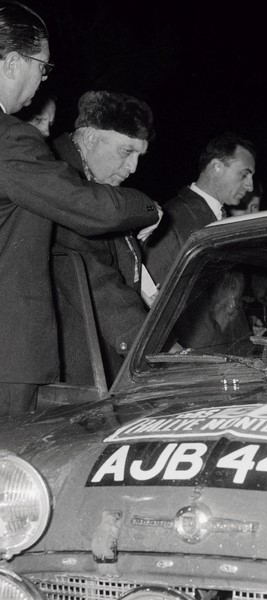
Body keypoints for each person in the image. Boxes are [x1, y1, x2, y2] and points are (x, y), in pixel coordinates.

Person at [0, 2, 160, 416]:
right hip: (12, 353)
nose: (43, 79)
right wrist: (150, 208)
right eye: (42, 66)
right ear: (13, 63)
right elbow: (92, 212)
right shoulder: (12, 139)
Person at [50, 90, 156, 385]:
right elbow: (96, 278)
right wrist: (153, 350)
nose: (133, 167)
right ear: (90, 137)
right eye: (126, 151)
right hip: (73, 368)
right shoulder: (64, 183)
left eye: (139, 156)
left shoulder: (94, 184)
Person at [144, 132, 256, 284]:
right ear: (216, 167)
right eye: (244, 175)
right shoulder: (171, 219)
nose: (250, 186)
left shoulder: (221, 218)